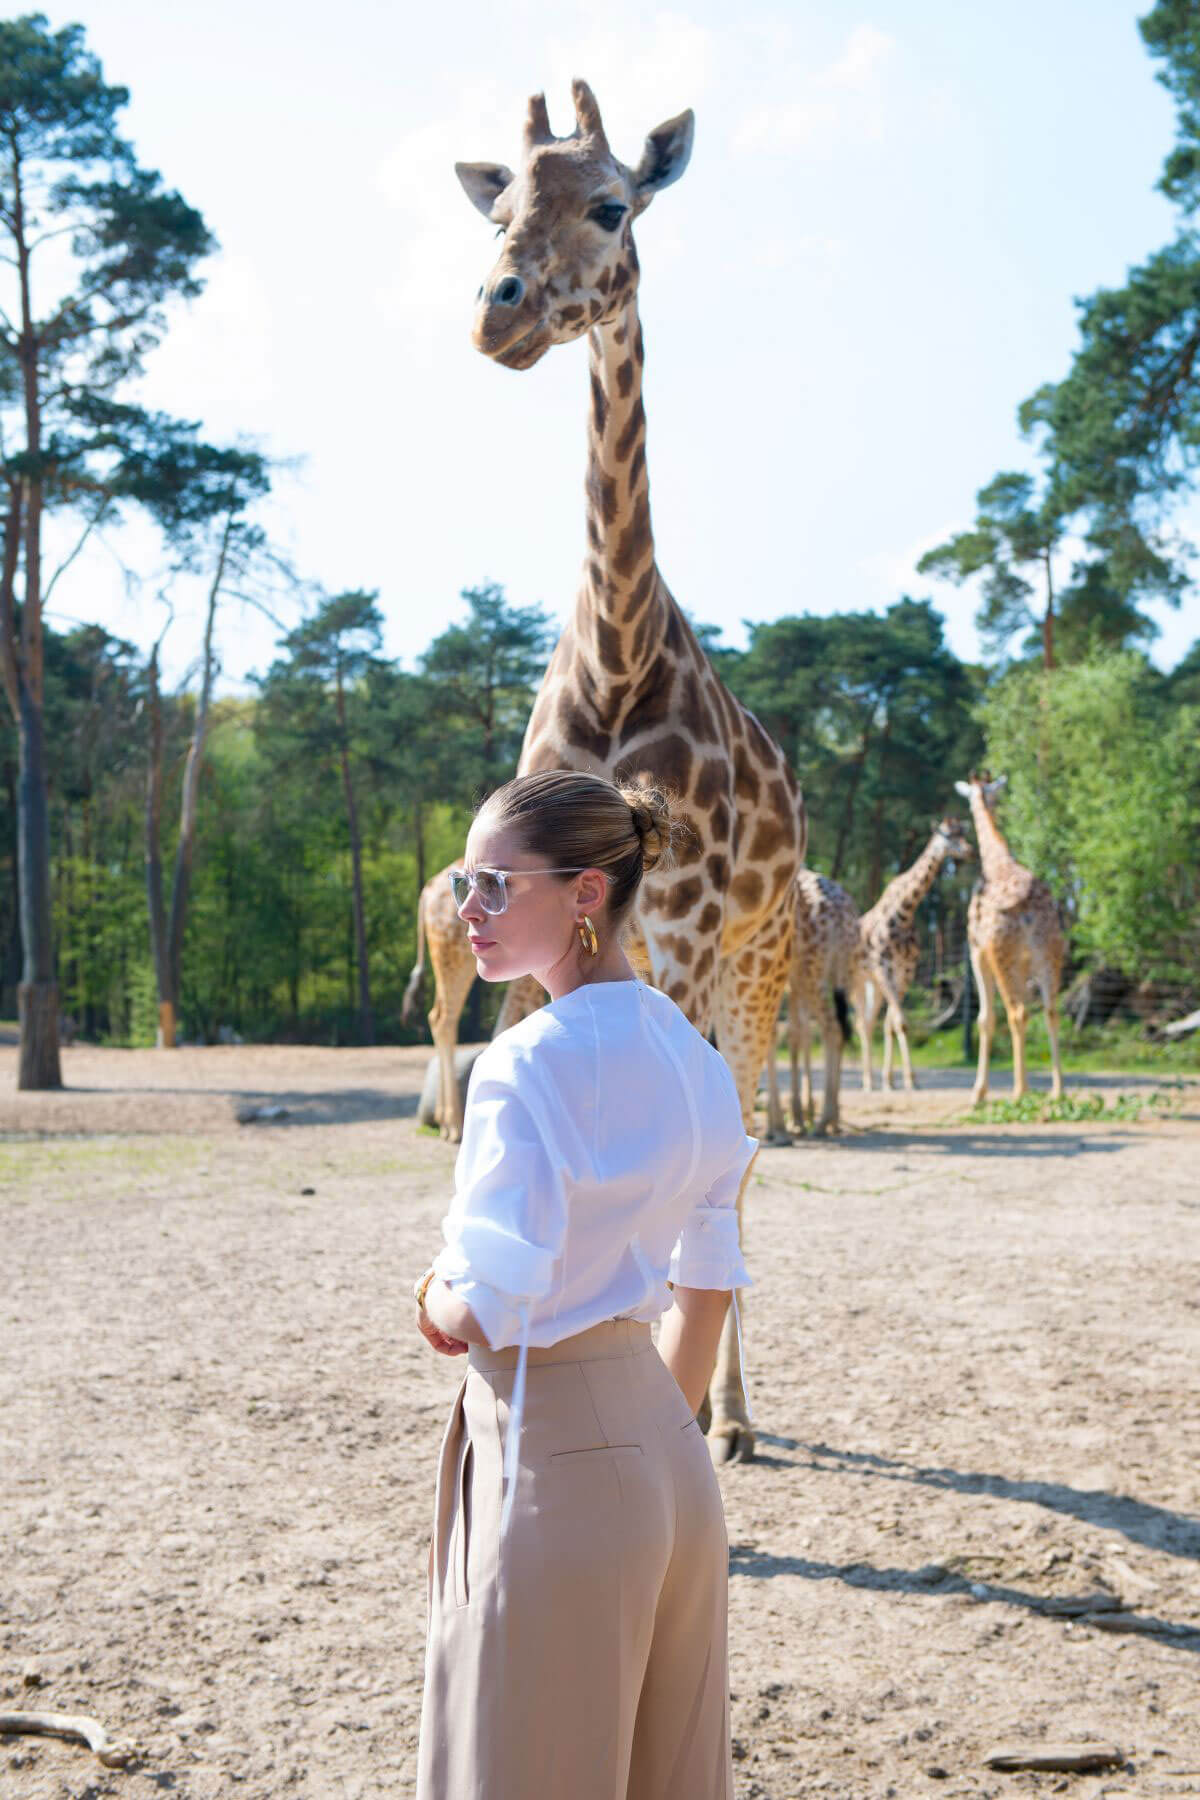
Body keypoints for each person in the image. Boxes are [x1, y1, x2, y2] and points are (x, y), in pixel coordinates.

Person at [413, 768, 757, 1800]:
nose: (468, 910)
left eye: (495, 886)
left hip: (550, 1458)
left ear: (586, 896)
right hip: (674, 1463)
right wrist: (658, 1433)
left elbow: (487, 1308)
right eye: (467, 882)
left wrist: (429, 1294)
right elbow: (707, 1286)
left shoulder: (521, 1064)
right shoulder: (696, 1058)